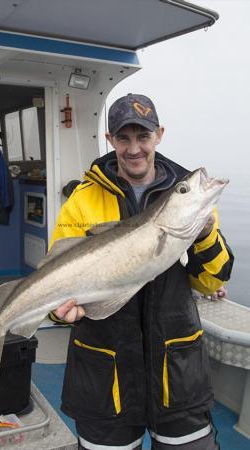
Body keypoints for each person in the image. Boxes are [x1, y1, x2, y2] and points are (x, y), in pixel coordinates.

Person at [49, 94, 234, 450]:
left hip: (177, 375)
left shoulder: (186, 200)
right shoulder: (82, 200)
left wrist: (206, 232)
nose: (134, 148)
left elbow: (212, 279)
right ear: (110, 140)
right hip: (106, 379)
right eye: (123, 137)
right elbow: (57, 281)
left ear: (159, 135)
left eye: (143, 136)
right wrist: (58, 314)